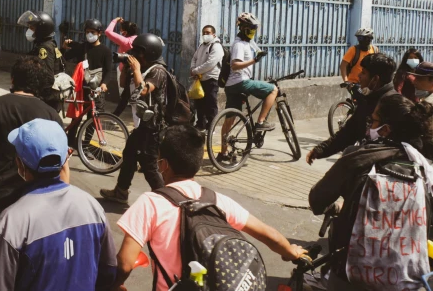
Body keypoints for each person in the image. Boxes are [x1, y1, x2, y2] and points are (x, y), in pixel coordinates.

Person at [112, 125, 306, 291]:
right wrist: (291, 252)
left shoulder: (150, 203)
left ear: (163, 165)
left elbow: (125, 263)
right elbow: (270, 235)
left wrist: (112, 285)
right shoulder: (217, 200)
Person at [309, 94, 433, 290]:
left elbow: (317, 201)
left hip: (349, 277)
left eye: (373, 121)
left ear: (385, 130)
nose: (369, 126)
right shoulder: (432, 174)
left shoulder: (355, 159)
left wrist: (337, 206)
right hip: (410, 280)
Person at [0, 119, 117, 291]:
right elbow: (108, 270)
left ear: (20, 163)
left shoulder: (11, 222)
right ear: (66, 158)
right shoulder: (92, 207)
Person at [0, 57, 63, 244]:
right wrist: (61, 204)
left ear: (12, 79)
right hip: (38, 199)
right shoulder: (51, 114)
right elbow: (62, 163)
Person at [100, 34, 172, 203]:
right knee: (130, 154)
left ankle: (167, 200)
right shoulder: (145, 68)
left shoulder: (158, 71)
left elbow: (144, 90)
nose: (136, 56)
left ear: (149, 53)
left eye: (138, 53)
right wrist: (127, 68)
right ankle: (121, 191)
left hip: (153, 127)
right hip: (143, 125)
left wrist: (137, 70)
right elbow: (124, 84)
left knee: (149, 166)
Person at [307, 53, 397, 164]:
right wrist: (321, 149)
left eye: (363, 73)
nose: (359, 76)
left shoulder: (394, 104)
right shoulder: (367, 99)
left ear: (375, 79)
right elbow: (350, 132)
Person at [62, 19, 112, 146]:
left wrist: (104, 84)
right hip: (81, 89)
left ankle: (85, 145)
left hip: (97, 91)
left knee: (93, 119)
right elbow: (64, 58)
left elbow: (108, 71)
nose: (90, 34)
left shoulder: (105, 51)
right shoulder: (81, 47)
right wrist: (63, 48)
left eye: (93, 32)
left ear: (99, 33)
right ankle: (70, 144)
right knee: (76, 118)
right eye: (87, 32)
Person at [224, 12, 276, 134]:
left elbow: (255, 47)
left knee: (230, 120)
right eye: (251, 28)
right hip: (241, 82)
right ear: (243, 28)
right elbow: (235, 65)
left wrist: (258, 53)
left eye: (255, 28)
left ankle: (223, 152)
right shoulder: (239, 45)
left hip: (231, 85)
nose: (254, 30)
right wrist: (254, 60)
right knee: (273, 89)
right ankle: (260, 122)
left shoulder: (246, 41)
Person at [17, 10, 64, 110]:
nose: (29, 31)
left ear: (42, 30)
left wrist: (39, 98)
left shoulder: (45, 48)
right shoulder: (45, 44)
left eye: (32, 28)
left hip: (48, 100)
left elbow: (48, 77)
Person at [189, 24, 224, 130]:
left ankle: (211, 127)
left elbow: (210, 63)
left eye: (208, 32)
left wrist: (195, 70)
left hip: (211, 79)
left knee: (211, 104)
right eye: (204, 32)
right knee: (199, 103)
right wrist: (193, 68)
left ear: (213, 34)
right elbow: (194, 58)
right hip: (200, 79)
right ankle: (200, 124)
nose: (205, 34)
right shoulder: (201, 46)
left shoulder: (216, 46)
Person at [104, 17, 138, 115]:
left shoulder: (125, 41)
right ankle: (116, 115)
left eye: (121, 29)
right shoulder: (137, 39)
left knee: (125, 95)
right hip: (136, 70)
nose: (120, 31)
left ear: (125, 32)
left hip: (125, 71)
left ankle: (117, 116)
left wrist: (115, 20)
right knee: (126, 96)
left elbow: (108, 32)